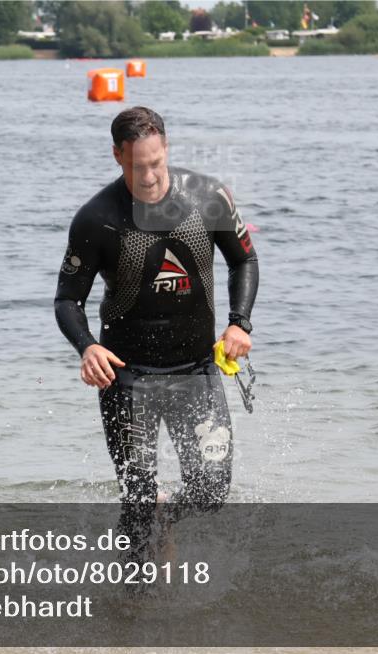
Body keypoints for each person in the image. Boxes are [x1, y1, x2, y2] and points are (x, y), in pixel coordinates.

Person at [54, 106, 259, 565]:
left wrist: (238, 322)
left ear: (166, 149)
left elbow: (244, 260)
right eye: (136, 166)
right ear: (116, 157)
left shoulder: (208, 198)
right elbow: (67, 300)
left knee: (209, 492)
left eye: (156, 163)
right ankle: (131, 610)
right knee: (138, 499)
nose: (148, 176)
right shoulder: (97, 219)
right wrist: (87, 347)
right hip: (127, 378)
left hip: (196, 370)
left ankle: (168, 518)